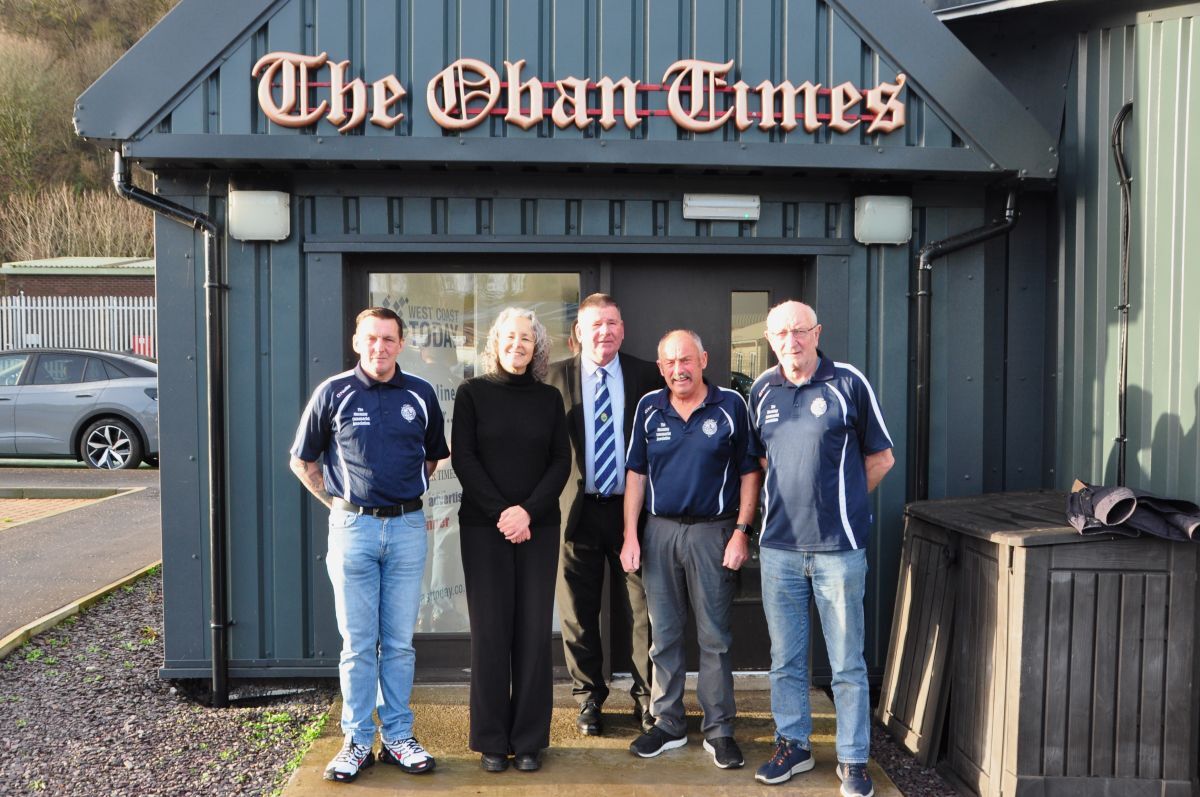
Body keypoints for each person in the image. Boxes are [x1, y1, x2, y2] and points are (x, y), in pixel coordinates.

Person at [289, 306, 447, 783]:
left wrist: (401, 497)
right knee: (358, 645)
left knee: (398, 644)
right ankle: (356, 740)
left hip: (405, 529)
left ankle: (398, 736)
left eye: (389, 339)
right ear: (357, 342)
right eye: (371, 339)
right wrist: (338, 506)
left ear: (401, 343)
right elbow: (302, 460)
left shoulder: (419, 394)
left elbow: (436, 456)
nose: (380, 347)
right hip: (352, 530)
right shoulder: (332, 392)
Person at [748, 300, 894, 797]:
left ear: (817, 333)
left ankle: (853, 759)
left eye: (801, 331)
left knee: (847, 663)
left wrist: (844, 505)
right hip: (779, 549)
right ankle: (793, 744)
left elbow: (882, 457)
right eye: (782, 333)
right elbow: (764, 461)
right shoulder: (762, 389)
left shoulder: (847, 382)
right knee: (786, 658)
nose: (792, 341)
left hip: (838, 550)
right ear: (771, 340)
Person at [619, 329, 762, 770]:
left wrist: (742, 531)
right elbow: (636, 476)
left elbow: (750, 473)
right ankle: (668, 723)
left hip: (713, 533)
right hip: (659, 532)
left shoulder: (731, 406)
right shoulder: (648, 407)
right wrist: (630, 535)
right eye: (670, 363)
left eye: (686, 360)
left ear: (703, 359)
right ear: (661, 368)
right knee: (663, 635)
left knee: (715, 637)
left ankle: (719, 730)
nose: (679, 370)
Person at [451, 307, 570, 773]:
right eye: (509, 337)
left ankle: (528, 741)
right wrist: (503, 513)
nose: (517, 345)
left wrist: (527, 513)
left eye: (527, 338)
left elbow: (560, 462)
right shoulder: (472, 393)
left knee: (534, 634)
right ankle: (491, 741)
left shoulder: (548, 399)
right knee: (491, 634)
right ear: (495, 344)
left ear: (536, 347)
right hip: (484, 529)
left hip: (538, 529)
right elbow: (464, 457)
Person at [547, 293, 661, 736]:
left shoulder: (647, 376)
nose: (604, 332)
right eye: (595, 324)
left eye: (612, 323)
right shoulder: (553, 378)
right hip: (575, 513)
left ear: (623, 329)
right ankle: (588, 697)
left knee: (643, 608)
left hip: (633, 512)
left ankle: (647, 696)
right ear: (579, 331)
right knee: (577, 611)